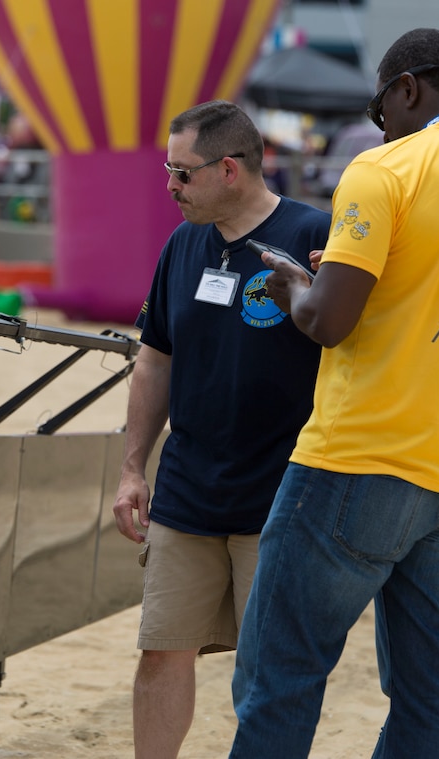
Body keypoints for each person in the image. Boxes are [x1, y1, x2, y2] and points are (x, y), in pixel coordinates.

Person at [228, 28, 439, 758]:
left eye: (382, 108)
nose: (381, 123)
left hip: (358, 460)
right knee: (427, 688)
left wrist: (295, 287)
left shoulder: (385, 169)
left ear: (406, 88)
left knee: (281, 672)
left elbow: (329, 321)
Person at [111, 99, 331, 759]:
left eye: (183, 174)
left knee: (267, 671)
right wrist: (131, 467)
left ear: (229, 169)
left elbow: (358, 349)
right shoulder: (182, 245)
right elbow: (154, 359)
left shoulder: (315, 235)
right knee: (161, 650)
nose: (170, 187)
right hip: (187, 491)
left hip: (283, 497)